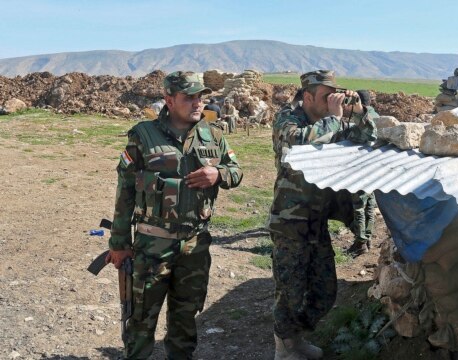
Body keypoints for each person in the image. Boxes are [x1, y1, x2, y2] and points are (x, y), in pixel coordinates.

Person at [106, 71, 243, 359]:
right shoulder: (143, 135)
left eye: (200, 96)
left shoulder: (213, 134)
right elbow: (126, 190)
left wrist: (217, 173)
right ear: (169, 99)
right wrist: (119, 243)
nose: (197, 103)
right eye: (189, 97)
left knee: (185, 318)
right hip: (152, 246)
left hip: (195, 245)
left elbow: (236, 171)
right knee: (141, 320)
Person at [269, 70, 378, 360]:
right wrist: (333, 117)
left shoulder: (333, 123)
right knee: (290, 291)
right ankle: (284, 347)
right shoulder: (289, 120)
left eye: (336, 94)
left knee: (324, 290)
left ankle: (296, 338)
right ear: (307, 97)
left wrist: (358, 112)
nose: (333, 100)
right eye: (326, 96)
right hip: (290, 221)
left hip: (317, 221)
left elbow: (369, 137)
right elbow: (296, 143)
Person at [345, 90, 377, 257]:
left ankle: (360, 242)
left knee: (359, 206)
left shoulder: (363, 119)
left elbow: (358, 138)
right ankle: (368, 237)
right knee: (370, 204)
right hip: (373, 168)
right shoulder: (376, 115)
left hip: (361, 168)